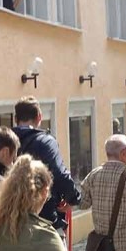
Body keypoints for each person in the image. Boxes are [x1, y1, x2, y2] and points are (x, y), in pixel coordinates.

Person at [11, 97, 81, 234]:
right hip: (45, 219)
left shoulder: (4, 140)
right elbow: (59, 173)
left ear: (15, 118)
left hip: (11, 220)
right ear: (39, 117)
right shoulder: (45, 142)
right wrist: (72, 198)